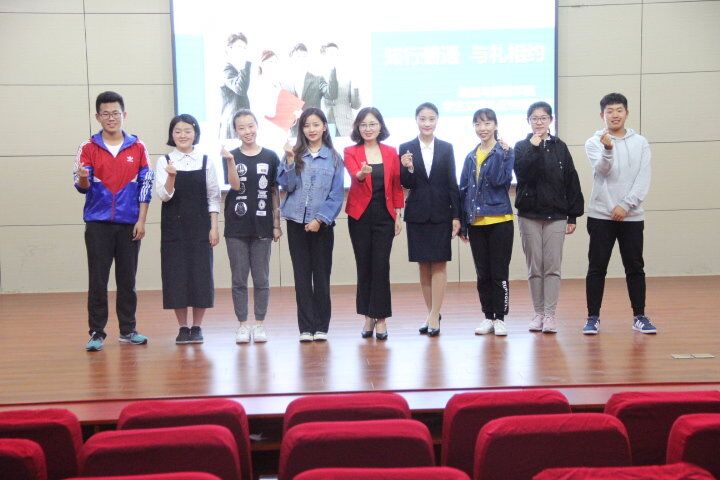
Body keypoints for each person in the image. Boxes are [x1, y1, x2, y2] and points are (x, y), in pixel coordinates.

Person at [74, 91, 153, 351]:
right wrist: (83, 177)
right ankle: (97, 332)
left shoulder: (138, 147)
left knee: (127, 280)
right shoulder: (88, 147)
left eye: (115, 113)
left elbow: (145, 186)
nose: (111, 118)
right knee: (98, 280)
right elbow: (82, 186)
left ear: (124, 114)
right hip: (97, 224)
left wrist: (141, 220)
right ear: (97, 117)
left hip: (129, 223)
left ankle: (128, 330)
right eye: (105, 114)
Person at [583, 93, 655, 335]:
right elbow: (602, 172)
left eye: (619, 110)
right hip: (600, 215)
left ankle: (640, 316)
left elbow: (643, 178)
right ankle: (593, 317)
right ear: (601, 115)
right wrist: (607, 149)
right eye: (609, 111)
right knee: (597, 267)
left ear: (626, 113)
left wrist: (625, 205)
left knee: (635, 267)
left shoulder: (640, 142)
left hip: (631, 216)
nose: (614, 115)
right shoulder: (594, 142)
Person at [514, 101, 584, 334]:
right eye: (534, 118)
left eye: (543, 118)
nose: (539, 122)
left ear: (551, 120)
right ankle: (538, 313)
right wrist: (533, 148)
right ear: (528, 121)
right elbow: (522, 173)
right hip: (529, 215)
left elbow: (571, 179)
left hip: (556, 215)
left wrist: (573, 216)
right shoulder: (522, 146)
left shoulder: (560, 147)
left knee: (552, 267)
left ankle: (550, 315)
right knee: (535, 267)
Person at [278, 108, 344, 342]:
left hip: (322, 226)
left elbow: (336, 195)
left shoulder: (334, 158)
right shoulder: (293, 153)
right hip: (296, 223)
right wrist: (289, 161)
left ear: (324, 127)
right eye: (306, 125)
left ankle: (321, 326)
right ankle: (305, 327)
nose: (311, 129)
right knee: (302, 277)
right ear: (301, 129)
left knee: (322, 277)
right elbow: (287, 186)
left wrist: (319, 220)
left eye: (316, 124)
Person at [155, 114, 220, 344]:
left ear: (195, 134)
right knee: (176, 276)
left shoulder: (206, 160)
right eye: (178, 131)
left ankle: (197, 326)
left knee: (201, 275)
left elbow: (213, 197)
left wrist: (214, 227)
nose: (182, 135)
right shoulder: (164, 161)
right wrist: (171, 177)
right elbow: (163, 196)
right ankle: (183, 327)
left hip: (201, 226)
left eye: (187, 131)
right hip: (174, 229)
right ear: (171, 135)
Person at [399, 102, 460, 337]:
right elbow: (406, 184)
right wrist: (408, 168)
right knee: (423, 265)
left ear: (437, 120)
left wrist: (456, 215)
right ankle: (431, 313)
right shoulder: (406, 148)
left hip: (442, 213)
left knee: (440, 263)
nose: (427, 123)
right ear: (416, 120)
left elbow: (452, 183)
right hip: (417, 213)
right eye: (423, 119)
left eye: (431, 119)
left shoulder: (446, 147)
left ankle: (434, 315)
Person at [221, 110, 282, 344]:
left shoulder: (271, 156)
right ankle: (242, 325)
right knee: (239, 278)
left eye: (250, 126)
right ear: (235, 131)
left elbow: (274, 192)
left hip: (263, 226)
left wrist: (276, 224)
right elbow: (235, 186)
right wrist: (230, 161)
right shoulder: (231, 155)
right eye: (241, 128)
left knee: (261, 278)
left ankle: (259, 324)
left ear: (257, 126)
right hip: (236, 227)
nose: (247, 131)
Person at [344, 107, 405, 340]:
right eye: (363, 125)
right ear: (358, 128)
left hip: (384, 216)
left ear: (380, 126)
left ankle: (381, 318)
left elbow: (396, 186)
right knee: (364, 265)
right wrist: (362, 173)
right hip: (359, 216)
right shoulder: (350, 151)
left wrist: (398, 214)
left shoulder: (391, 152)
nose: (368, 129)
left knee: (381, 265)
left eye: (372, 124)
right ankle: (368, 316)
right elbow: (355, 175)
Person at [459, 108, 514, 337]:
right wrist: (464, 224)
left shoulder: (505, 151)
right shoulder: (470, 156)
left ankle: (500, 318)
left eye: (487, 123)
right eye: (478, 124)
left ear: (495, 125)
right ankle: (488, 316)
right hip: (476, 222)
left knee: (499, 272)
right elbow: (463, 190)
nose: (482, 128)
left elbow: (501, 180)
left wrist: (502, 154)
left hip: (500, 219)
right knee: (483, 273)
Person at [284, 43, 338, 135]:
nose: (301, 59)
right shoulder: (285, 83)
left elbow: (331, 94)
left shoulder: (318, 79)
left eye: (304, 56)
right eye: (298, 56)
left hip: (313, 132)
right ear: (292, 59)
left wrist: (332, 69)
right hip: (293, 132)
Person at [320, 42, 360, 136]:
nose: (333, 57)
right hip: (326, 124)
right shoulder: (319, 76)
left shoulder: (347, 76)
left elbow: (356, 105)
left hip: (345, 125)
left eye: (336, 54)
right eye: (330, 54)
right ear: (324, 56)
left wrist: (356, 89)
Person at [219, 32, 251, 139]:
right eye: (239, 47)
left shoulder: (238, 70)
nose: (242, 50)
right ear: (229, 49)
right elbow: (240, 89)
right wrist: (245, 65)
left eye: (244, 48)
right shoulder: (226, 69)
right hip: (232, 126)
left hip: (239, 124)